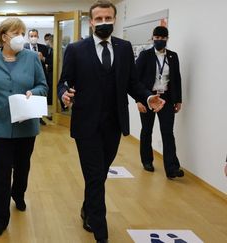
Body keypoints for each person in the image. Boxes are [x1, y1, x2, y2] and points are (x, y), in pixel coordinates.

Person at [58, 1, 165, 242]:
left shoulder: (125, 48)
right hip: (86, 124)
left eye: (108, 18)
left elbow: (132, 82)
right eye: (99, 18)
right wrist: (64, 93)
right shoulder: (76, 49)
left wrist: (147, 97)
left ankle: (87, 208)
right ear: (92, 21)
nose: (104, 22)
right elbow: (64, 82)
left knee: (100, 173)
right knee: (95, 175)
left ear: (114, 20)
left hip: (114, 124)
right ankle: (100, 231)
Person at [0, 17, 48, 238]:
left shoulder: (31, 58)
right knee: (2, 170)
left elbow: (43, 86)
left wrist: (32, 93)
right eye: (16, 33)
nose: (20, 37)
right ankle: (0, 218)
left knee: (22, 165)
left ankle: (19, 193)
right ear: (3, 36)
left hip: (26, 122)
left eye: (22, 33)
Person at [135, 26, 184, 179]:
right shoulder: (145, 55)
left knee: (168, 133)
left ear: (167, 39)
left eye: (163, 38)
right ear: (152, 38)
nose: (159, 40)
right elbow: (135, 80)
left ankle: (172, 168)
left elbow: (177, 79)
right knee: (147, 130)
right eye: (157, 38)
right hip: (148, 98)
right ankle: (147, 161)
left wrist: (178, 100)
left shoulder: (173, 56)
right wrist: (139, 100)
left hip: (167, 100)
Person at [24, 29, 49, 125]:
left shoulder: (44, 48)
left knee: (40, 97)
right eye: (31, 36)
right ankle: (29, 116)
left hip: (41, 75)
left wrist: (43, 58)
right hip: (28, 75)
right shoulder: (24, 47)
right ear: (28, 37)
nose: (33, 38)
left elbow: (50, 61)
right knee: (29, 96)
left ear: (38, 37)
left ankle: (40, 117)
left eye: (35, 36)